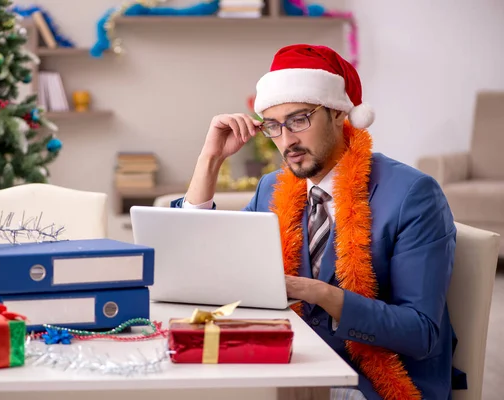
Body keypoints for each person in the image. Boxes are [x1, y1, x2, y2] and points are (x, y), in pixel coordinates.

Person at [170, 44, 465, 400]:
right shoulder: (272, 189)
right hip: (291, 363)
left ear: (339, 113)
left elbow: (422, 334)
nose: (287, 140)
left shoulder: (412, 194)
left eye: (299, 120)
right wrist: (210, 158)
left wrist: (318, 293)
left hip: (373, 382)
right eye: (274, 126)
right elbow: (200, 262)